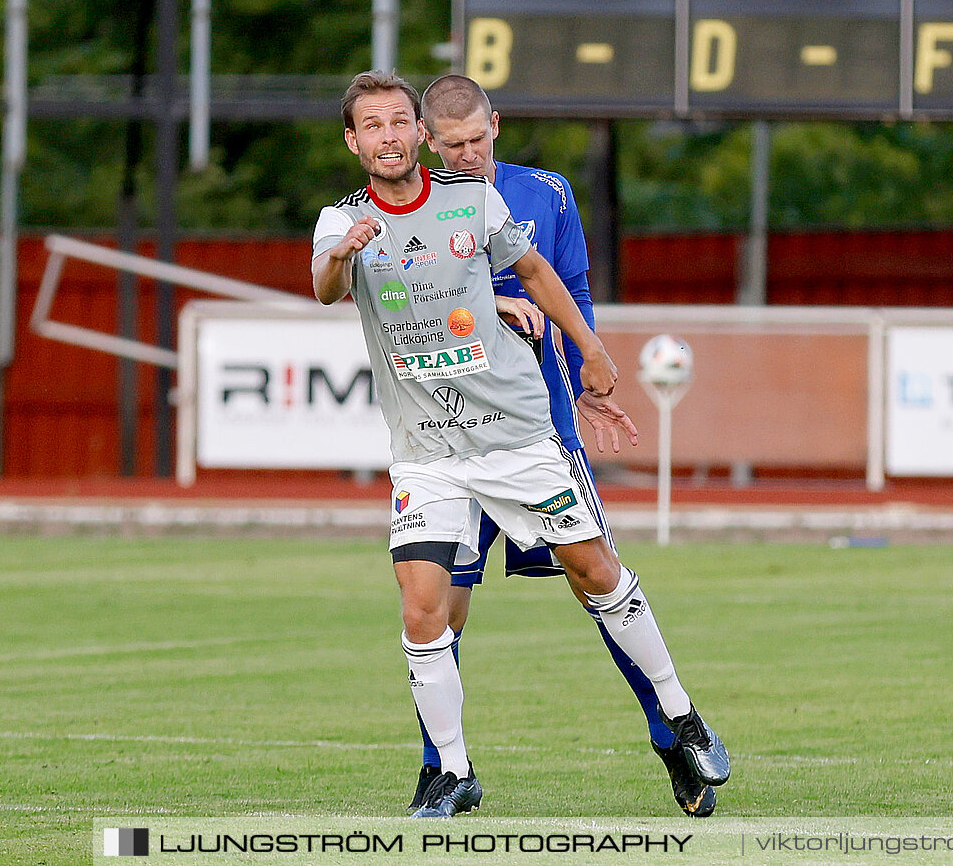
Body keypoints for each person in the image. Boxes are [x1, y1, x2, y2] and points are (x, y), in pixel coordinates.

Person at [311, 70, 729, 819]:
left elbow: (553, 278)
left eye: (476, 139)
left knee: (593, 577)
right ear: (417, 141)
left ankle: (672, 728)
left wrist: (588, 366)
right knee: (434, 604)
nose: (466, 153)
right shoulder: (350, 220)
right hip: (432, 446)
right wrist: (351, 255)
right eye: (452, 143)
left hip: (525, 427)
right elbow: (333, 282)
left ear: (491, 127)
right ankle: (445, 767)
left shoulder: (527, 196)